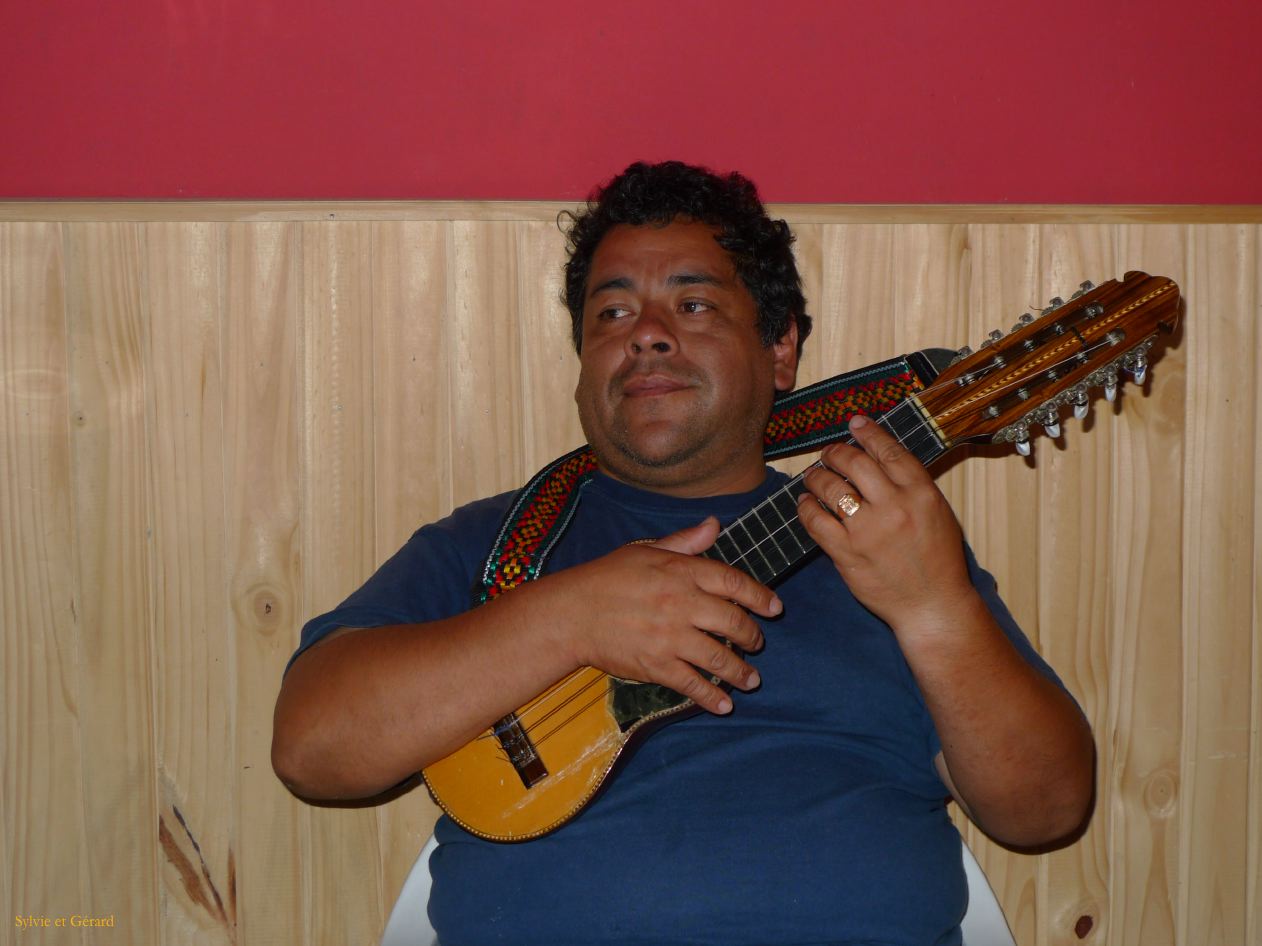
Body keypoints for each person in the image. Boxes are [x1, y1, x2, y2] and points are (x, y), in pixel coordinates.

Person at [272, 161, 1094, 945]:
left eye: (693, 306)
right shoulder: (501, 545)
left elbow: (1045, 810)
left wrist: (934, 607)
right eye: (612, 313)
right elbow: (312, 748)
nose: (649, 337)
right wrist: (567, 620)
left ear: (780, 351)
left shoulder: (891, 540)